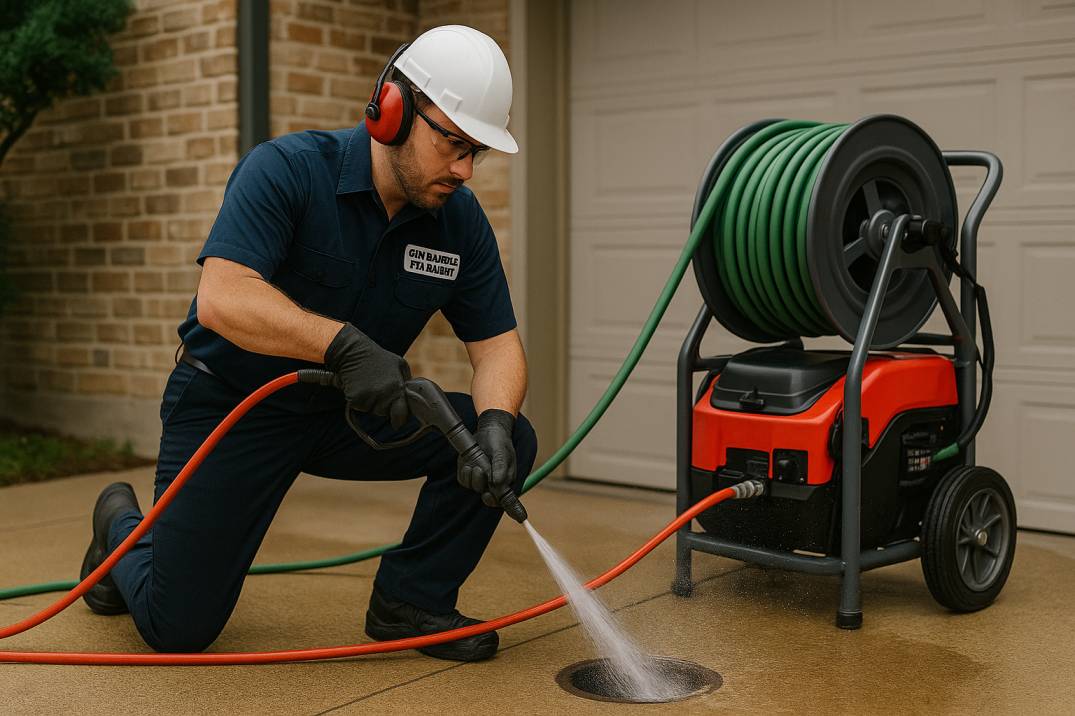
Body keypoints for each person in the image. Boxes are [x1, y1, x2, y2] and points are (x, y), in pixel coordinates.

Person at [78, 25, 536, 663]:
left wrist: (492, 421)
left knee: (509, 436)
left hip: (347, 417)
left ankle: (411, 602)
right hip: (233, 406)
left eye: (476, 152)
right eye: (452, 143)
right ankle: (119, 527)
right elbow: (223, 296)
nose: (463, 169)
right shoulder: (287, 171)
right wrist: (342, 345)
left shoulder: (459, 222)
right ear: (392, 110)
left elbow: (497, 347)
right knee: (176, 626)